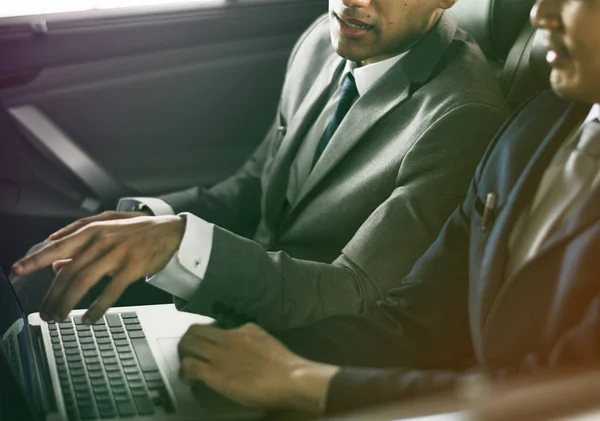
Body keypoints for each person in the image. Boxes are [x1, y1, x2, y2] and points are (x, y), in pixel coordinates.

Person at [162, 0, 600, 416]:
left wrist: (308, 382)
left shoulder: (470, 113)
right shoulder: (535, 128)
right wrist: (248, 351)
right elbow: (415, 319)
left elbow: (566, 395)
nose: (540, 13)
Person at [10, 0, 508, 329]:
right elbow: (258, 186)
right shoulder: (327, 37)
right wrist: (152, 223)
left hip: (305, 339)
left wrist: (180, 246)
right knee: (37, 279)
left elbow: (356, 294)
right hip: (245, 292)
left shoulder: (463, 116)